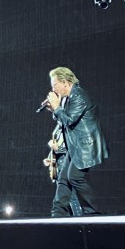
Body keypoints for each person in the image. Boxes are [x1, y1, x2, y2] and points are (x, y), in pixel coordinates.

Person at [45, 67, 107, 216]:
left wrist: (57, 107)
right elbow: (63, 122)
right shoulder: (68, 97)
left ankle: (92, 213)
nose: (53, 89)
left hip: (85, 146)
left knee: (74, 177)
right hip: (75, 146)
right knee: (63, 179)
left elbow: (70, 120)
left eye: (55, 85)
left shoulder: (78, 95)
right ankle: (57, 213)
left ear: (65, 82)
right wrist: (55, 110)